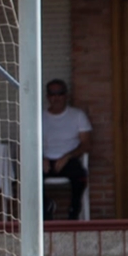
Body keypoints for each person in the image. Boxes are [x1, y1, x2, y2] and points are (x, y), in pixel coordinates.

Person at [41, 79, 92, 220]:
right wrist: (40, 158)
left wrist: (67, 156)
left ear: (66, 96)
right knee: (28, 177)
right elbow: (31, 142)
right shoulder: (39, 117)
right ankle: (46, 207)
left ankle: (73, 212)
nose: (56, 98)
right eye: (52, 94)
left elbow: (86, 144)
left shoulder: (77, 115)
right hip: (46, 160)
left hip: (69, 159)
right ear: (47, 97)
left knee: (80, 176)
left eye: (60, 93)